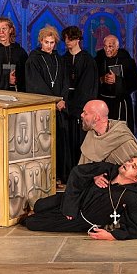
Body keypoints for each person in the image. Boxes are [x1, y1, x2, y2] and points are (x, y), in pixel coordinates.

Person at [22, 155, 137, 241]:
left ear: (136, 178)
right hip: (75, 200)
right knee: (40, 205)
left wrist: (112, 236)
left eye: (133, 166)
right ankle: (41, 209)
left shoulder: (133, 197)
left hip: (81, 219)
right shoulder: (108, 169)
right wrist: (93, 177)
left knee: (31, 223)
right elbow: (77, 172)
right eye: (130, 161)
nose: (127, 164)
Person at [79, 99, 137, 228]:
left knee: (124, 225)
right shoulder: (92, 135)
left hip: (124, 192)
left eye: (85, 113)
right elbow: (82, 170)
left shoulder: (123, 140)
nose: (81, 115)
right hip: (100, 191)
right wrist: (94, 176)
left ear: (96, 117)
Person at [25, 25, 68, 182]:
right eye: (46, 42)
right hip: (43, 109)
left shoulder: (59, 59)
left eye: (52, 42)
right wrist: (53, 100)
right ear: (40, 41)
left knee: (59, 142)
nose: (49, 46)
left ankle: (59, 176)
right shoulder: (34, 59)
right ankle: (44, 177)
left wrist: (62, 98)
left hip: (59, 108)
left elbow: (65, 81)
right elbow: (35, 84)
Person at [60, 25, 98, 182]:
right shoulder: (62, 60)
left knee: (81, 142)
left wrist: (76, 107)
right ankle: (67, 173)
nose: (68, 42)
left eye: (71, 38)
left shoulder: (88, 60)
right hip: (64, 106)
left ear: (78, 39)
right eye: (66, 39)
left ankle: (82, 174)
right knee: (65, 142)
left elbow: (88, 86)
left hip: (81, 108)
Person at [95, 34, 137, 132]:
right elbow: (92, 79)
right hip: (104, 101)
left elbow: (135, 83)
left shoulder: (127, 61)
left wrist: (117, 80)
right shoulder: (99, 59)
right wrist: (102, 79)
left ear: (117, 47)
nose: (107, 49)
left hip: (121, 103)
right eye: (105, 46)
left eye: (110, 46)